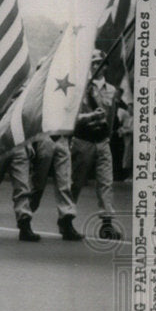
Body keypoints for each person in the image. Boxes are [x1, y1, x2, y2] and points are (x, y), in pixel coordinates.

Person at [70, 50, 123, 240]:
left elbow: (111, 116)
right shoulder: (80, 88)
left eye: (100, 63)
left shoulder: (112, 90)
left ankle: (106, 224)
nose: (96, 66)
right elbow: (73, 117)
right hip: (83, 140)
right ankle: (66, 220)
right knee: (75, 182)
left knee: (106, 183)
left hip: (102, 141)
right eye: (93, 63)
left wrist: (105, 136)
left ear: (106, 66)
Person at [0, 88, 40, 242]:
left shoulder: (25, 93)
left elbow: (26, 119)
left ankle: (24, 223)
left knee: (22, 186)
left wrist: (29, 141)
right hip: (0, 142)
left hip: (19, 143)